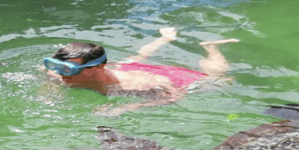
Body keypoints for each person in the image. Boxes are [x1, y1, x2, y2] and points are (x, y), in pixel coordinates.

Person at [43, 27, 239, 116]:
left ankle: (211, 47)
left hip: (175, 80)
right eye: (57, 66)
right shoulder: (62, 74)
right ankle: (164, 39)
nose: (61, 74)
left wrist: (126, 108)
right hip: (124, 69)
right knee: (135, 59)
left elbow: (173, 95)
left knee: (220, 78)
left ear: (98, 66)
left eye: (68, 68)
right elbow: (50, 76)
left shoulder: (131, 87)